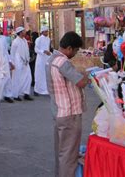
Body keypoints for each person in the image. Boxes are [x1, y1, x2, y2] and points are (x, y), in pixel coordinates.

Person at [46, 32, 90, 177]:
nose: (76, 54)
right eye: (76, 50)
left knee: (62, 152)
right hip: (69, 114)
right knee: (69, 155)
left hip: (59, 112)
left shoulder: (51, 59)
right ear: (69, 48)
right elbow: (81, 82)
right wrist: (90, 74)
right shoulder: (62, 62)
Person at [11, 27, 34, 101]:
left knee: (28, 77)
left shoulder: (24, 40)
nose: (25, 32)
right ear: (20, 32)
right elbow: (12, 53)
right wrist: (12, 63)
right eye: (23, 31)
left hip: (26, 62)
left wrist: (28, 58)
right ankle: (16, 95)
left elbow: (26, 50)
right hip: (18, 62)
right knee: (17, 78)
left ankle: (26, 93)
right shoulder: (15, 41)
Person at [34, 26, 51, 96]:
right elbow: (36, 49)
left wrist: (49, 53)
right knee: (39, 74)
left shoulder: (48, 39)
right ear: (42, 32)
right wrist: (43, 51)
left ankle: (46, 89)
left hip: (46, 59)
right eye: (46, 31)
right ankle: (37, 89)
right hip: (40, 59)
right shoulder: (38, 39)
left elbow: (48, 48)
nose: (47, 32)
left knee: (46, 73)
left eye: (47, 31)